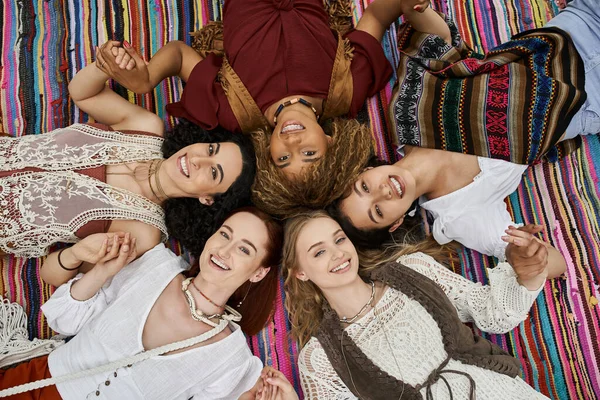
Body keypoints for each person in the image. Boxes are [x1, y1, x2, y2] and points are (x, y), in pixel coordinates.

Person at [327, 2, 600, 273]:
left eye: (364, 187)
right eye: (378, 212)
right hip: (592, 101)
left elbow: (438, 43)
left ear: (366, 170)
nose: (383, 193)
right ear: (395, 223)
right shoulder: (458, 213)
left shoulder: (407, 115)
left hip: (575, 27)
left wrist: (417, 11)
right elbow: (554, 264)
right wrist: (526, 257)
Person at [96, 0, 432, 214]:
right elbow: (377, 14)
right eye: (310, 154)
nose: (293, 143)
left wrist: (146, 78)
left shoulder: (234, 111)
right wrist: (407, 5)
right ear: (330, 141)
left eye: (283, 158)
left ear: (267, 152)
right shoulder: (348, 90)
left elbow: (181, 55)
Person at [0, 48, 256, 282]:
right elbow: (83, 93)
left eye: (213, 172)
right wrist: (107, 65)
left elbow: (53, 276)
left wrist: (76, 253)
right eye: (211, 149)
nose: (198, 159)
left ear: (208, 199)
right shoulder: (146, 128)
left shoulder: (142, 233)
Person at [0, 207, 283, 399]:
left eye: (244, 249)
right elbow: (61, 320)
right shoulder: (154, 266)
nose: (224, 250)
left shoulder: (232, 360)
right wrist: (101, 272)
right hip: (37, 384)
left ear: (259, 272)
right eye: (225, 233)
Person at [281, 210, 551, 399]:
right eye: (319, 252)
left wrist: (527, 271)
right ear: (300, 272)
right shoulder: (320, 358)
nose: (338, 253)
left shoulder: (414, 269)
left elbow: (494, 315)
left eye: (339, 239)